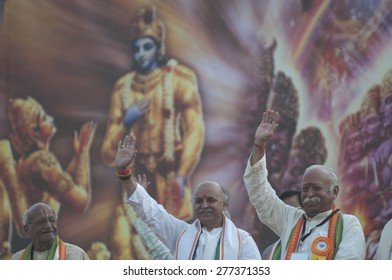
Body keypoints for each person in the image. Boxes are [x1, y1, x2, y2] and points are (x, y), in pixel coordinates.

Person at [101, 6, 205, 221]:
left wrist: (182, 174)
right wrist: (126, 123)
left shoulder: (178, 79)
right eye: (136, 48)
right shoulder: (123, 88)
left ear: (158, 48)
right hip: (136, 179)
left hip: (169, 177)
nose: (141, 54)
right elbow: (107, 153)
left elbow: (195, 129)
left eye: (147, 47)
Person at [114, 133, 261, 260]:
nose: (204, 205)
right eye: (198, 201)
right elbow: (151, 212)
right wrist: (124, 174)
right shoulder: (181, 233)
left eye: (211, 200)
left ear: (224, 204)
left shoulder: (242, 241)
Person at [244, 109, 366, 260]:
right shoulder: (290, 219)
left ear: (334, 192)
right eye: (305, 189)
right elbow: (260, 192)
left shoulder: (348, 225)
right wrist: (259, 145)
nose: (309, 194)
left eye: (316, 188)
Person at [11, 203, 89, 260]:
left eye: (52, 220)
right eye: (41, 221)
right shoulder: (17, 259)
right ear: (27, 229)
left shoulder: (76, 255)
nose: (48, 226)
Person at [261, 190, 302, 259]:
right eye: (284, 211)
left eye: (292, 209)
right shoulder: (269, 252)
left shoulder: (316, 244)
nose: (288, 215)